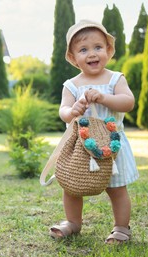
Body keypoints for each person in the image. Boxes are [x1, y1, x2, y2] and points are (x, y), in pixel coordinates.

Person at [49, 20, 139, 244]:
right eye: (83, 49)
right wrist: (73, 111)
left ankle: (121, 227)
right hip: (79, 145)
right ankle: (73, 222)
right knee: (72, 185)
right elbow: (63, 111)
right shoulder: (71, 84)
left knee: (116, 188)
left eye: (98, 47)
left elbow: (128, 102)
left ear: (108, 50)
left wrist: (104, 97)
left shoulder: (115, 79)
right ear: (73, 57)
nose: (92, 54)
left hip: (111, 146)